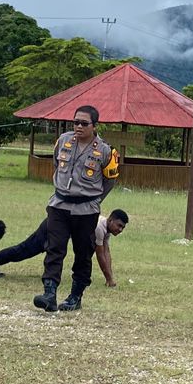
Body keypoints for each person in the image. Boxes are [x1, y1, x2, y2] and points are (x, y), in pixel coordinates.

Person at [33, 105, 119, 312]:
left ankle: (75, 296)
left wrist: (95, 199)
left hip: (86, 209)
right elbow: (56, 163)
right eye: (76, 122)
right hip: (59, 205)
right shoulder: (63, 141)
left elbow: (110, 180)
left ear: (95, 126)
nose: (79, 126)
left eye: (84, 123)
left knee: (83, 253)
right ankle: (50, 293)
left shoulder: (105, 150)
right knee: (54, 248)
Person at [0, 209, 128, 286]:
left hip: (59, 228)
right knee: (23, 250)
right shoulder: (99, 227)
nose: (120, 230)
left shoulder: (105, 228)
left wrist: (110, 278)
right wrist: (109, 279)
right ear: (110, 220)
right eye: (119, 225)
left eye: (123, 227)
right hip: (54, 226)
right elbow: (100, 255)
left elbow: (106, 252)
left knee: (23, 250)